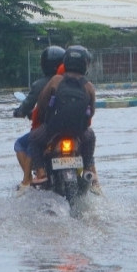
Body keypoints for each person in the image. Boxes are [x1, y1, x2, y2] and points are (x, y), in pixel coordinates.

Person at [29, 45, 100, 193]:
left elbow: (42, 104)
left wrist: (43, 118)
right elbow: (91, 112)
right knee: (91, 137)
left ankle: (41, 171)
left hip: (52, 130)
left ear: (66, 62)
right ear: (85, 64)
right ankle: (88, 168)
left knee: (33, 139)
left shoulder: (56, 80)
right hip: (78, 132)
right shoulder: (89, 87)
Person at [13, 46, 65, 192]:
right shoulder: (72, 82)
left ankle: (28, 179)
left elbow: (27, 105)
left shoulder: (40, 84)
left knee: (24, 143)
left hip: (46, 129)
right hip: (72, 128)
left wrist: (19, 112)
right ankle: (93, 177)